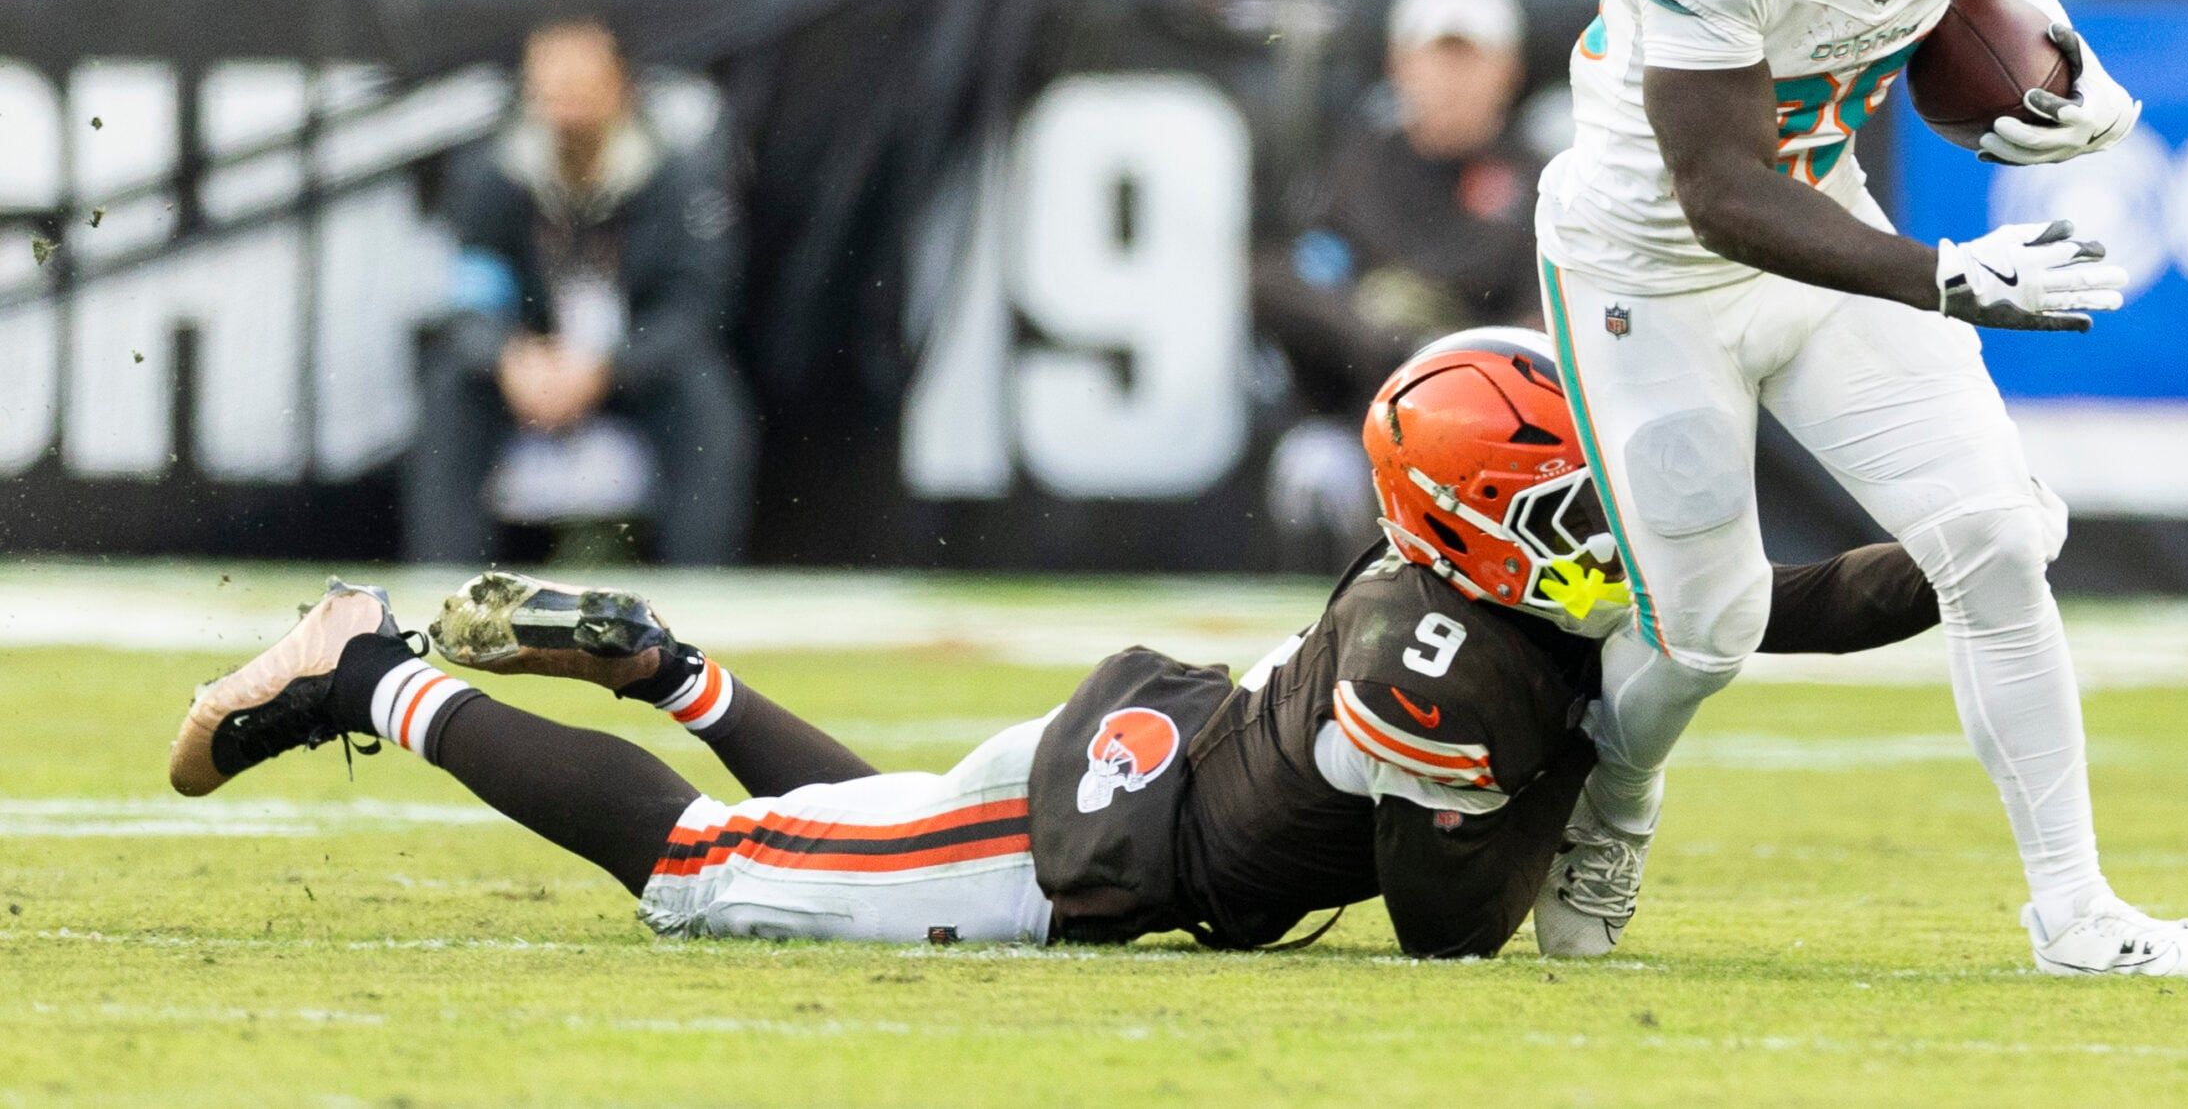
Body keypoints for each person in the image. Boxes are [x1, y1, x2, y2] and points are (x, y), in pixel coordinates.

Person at [176, 329, 1944, 955]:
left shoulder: (1481, 584)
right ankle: (367, 669)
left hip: (1136, 763)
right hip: (1099, 842)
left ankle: (669, 670)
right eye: (1564, 507)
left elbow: (1793, 597)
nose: (1603, 531)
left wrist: (1975, 538)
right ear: (1477, 523)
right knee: (707, 871)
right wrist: (1604, 747)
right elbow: (1447, 928)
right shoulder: (1440, 659)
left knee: (875, 821)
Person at [1528, 0, 2188, 977]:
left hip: (1820, 217)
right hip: (1648, 260)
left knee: (1995, 536)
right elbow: (1721, 191)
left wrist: (2059, 69)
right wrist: (1944, 272)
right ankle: (1613, 797)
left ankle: (2076, 911)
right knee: (1706, 632)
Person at [404, 18, 753, 566]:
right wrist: (509, 358)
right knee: (451, 391)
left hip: (634, 368)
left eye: (583, 85)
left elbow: (695, 306)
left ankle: (702, 580)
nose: (567, 104)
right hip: (529, 369)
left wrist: (607, 367)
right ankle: (445, 578)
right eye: (551, 87)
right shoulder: (493, 178)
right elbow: (468, 296)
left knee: (704, 400)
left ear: (622, 89)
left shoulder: (676, 180)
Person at [1257, 0, 1542, 561]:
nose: (1449, 80)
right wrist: (1372, 330)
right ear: (1399, 65)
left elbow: (1555, 313)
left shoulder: (1541, 182)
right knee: (1314, 469)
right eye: (1435, 59)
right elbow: (1285, 275)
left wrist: (1453, 356)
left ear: (1508, 71)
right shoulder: (1357, 172)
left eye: (1468, 61)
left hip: (1500, 434)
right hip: (1360, 415)